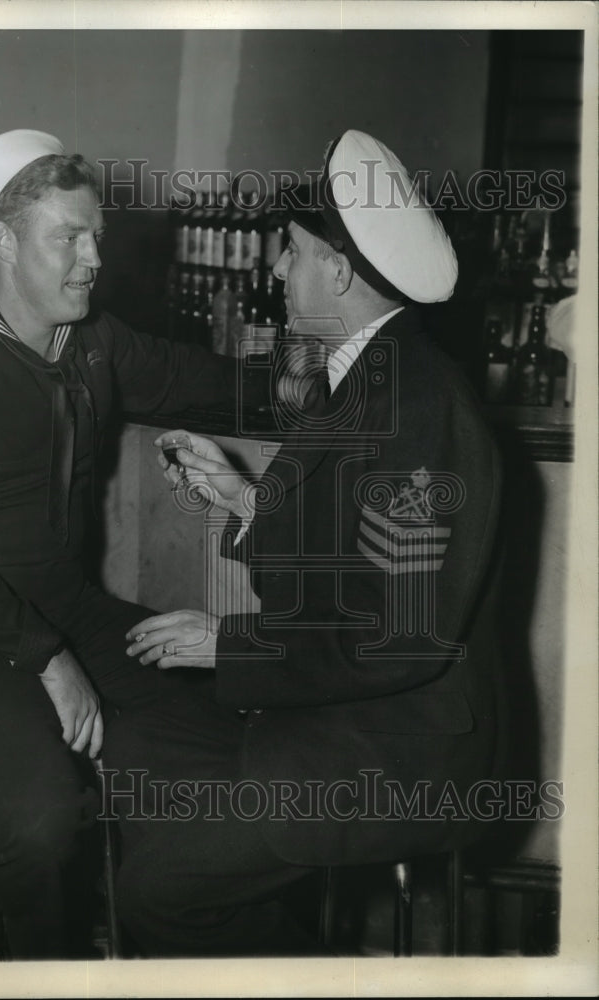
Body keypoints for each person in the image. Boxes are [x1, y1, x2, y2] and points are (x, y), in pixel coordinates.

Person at [0, 129, 265, 958]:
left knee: (242, 753)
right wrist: (48, 657)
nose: (91, 260)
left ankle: (164, 931)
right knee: (42, 821)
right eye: (67, 238)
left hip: (64, 614)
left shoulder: (90, 341)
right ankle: (38, 965)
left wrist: (325, 385)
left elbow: (204, 381)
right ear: (3, 241)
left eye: (96, 239)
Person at [104, 129, 506, 956]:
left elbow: (396, 635)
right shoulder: (366, 374)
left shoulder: (419, 407)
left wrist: (224, 642)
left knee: (161, 887)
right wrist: (243, 498)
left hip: (398, 753)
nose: (277, 271)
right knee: (140, 747)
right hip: (340, 714)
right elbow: (336, 577)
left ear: (340, 270)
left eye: (292, 252)